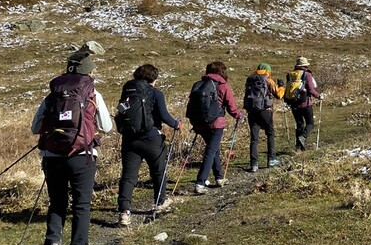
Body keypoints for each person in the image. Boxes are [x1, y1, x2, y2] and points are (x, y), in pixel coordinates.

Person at [31, 47, 113, 245]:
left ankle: (52, 242)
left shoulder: (53, 95)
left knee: (57, 202)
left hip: (51, 156)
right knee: (81, 205)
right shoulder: (93, 94)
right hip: (82, 155)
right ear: (89, 72)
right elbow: (106, 126)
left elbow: (35, 127)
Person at [115, 64, 183, 226]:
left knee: (129, 176)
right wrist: (176, 124)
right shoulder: (156, 93)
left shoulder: (128, 91)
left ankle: (124, 212)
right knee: (159, 170)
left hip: (130, 138)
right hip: (152, 137)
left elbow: (121, 111)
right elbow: (164, 115)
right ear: (154, 78)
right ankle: (159, 202)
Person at [190, 61, 241, 195]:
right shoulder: (223, 86)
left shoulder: (198, 85)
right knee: (211, 151)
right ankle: (200, 182)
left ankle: (219, 177)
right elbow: (231, 106)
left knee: (214, 149)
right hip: (216, 123)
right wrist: (238, 115)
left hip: (199, 124)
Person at [244, 62, 284, 172]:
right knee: (270, 134)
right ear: (268, 70)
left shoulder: (250, 79)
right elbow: (279, 95)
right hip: (265, 111)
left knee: (254, 138)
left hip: (252, 111)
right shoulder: (268, 80)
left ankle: (254, 164)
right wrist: (281, 86)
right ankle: (271, 159)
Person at [288, 56, 321, 152]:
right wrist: (319, 96)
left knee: (299, 124)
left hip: (294, 104)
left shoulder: (290, 75)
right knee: (310, 123)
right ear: (305, 66)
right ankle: (303, 137)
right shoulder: (307, 75)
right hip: (306, 103)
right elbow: (311, 89)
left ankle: (298, 148)